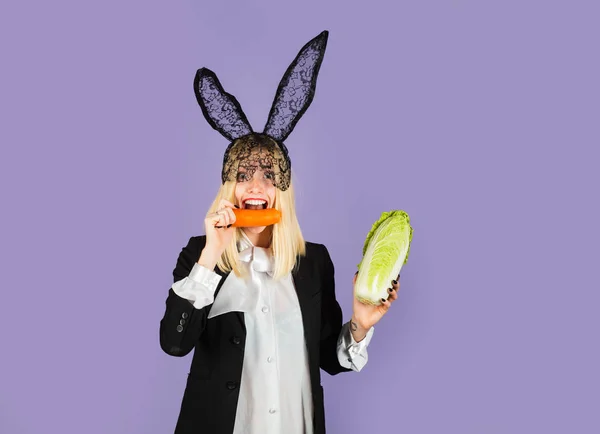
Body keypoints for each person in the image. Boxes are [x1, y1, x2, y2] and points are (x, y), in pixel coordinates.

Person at [159, 31, 400, 434]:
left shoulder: (313, 261)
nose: (256, 186)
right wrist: (210, 257)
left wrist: (360, 324)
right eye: (243, 175)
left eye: (269, 175)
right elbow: (174, 342)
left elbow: (327, 357)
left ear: (283, 189)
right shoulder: (199, 254)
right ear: (228, 186)